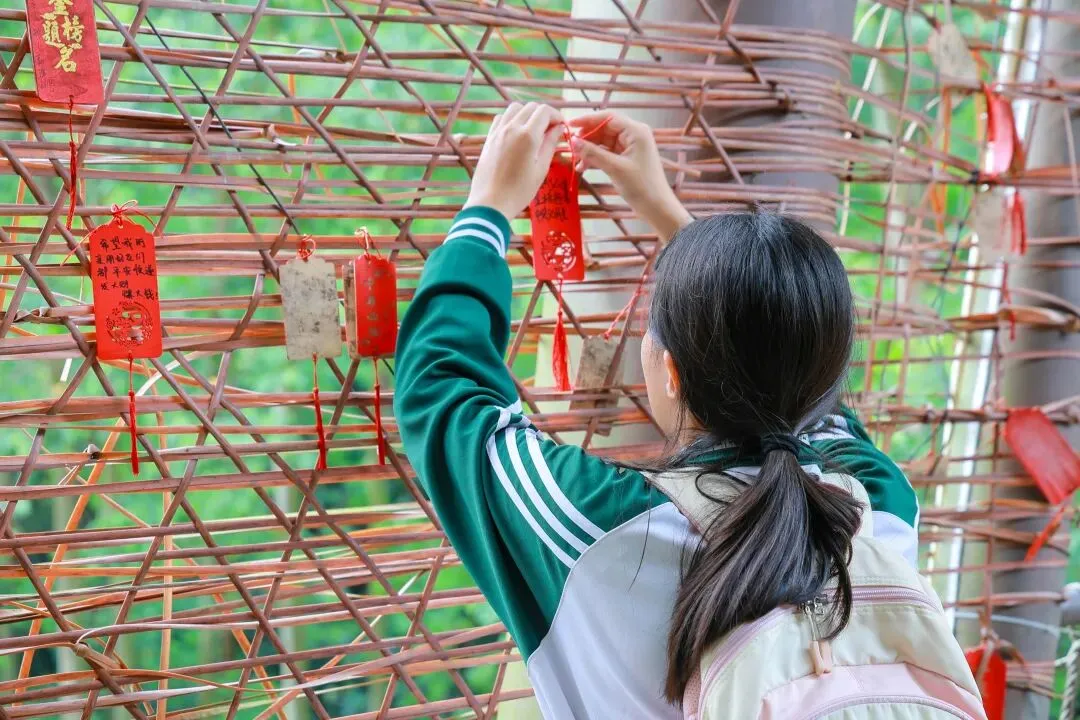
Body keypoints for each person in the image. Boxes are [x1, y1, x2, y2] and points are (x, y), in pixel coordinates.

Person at [394, 104, 924, 717]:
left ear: (668, 372)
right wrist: (669, 217)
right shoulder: (880, 506)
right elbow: (800, 383)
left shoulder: (602, 527)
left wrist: (486, 208)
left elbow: (444, 390)